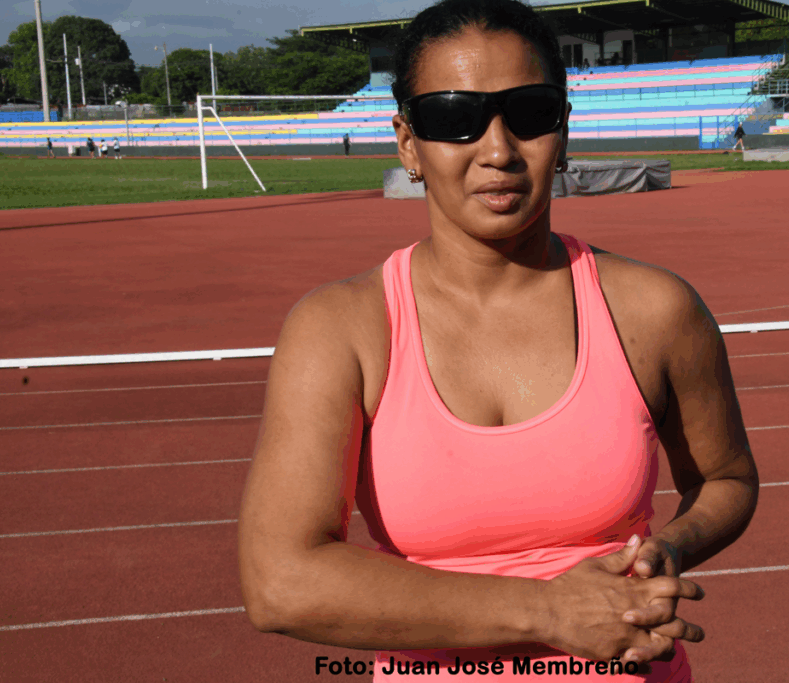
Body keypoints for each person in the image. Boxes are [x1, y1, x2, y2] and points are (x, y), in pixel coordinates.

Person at [238, 2, 757, 683]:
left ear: (563, 131)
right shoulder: (339, 329)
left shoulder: (655, 309)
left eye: (530, 112)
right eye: (454, 116)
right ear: (407, 143)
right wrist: (549, 612)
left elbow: (726, 478)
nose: (499, 149)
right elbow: (280, 582)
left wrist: (672, 546)